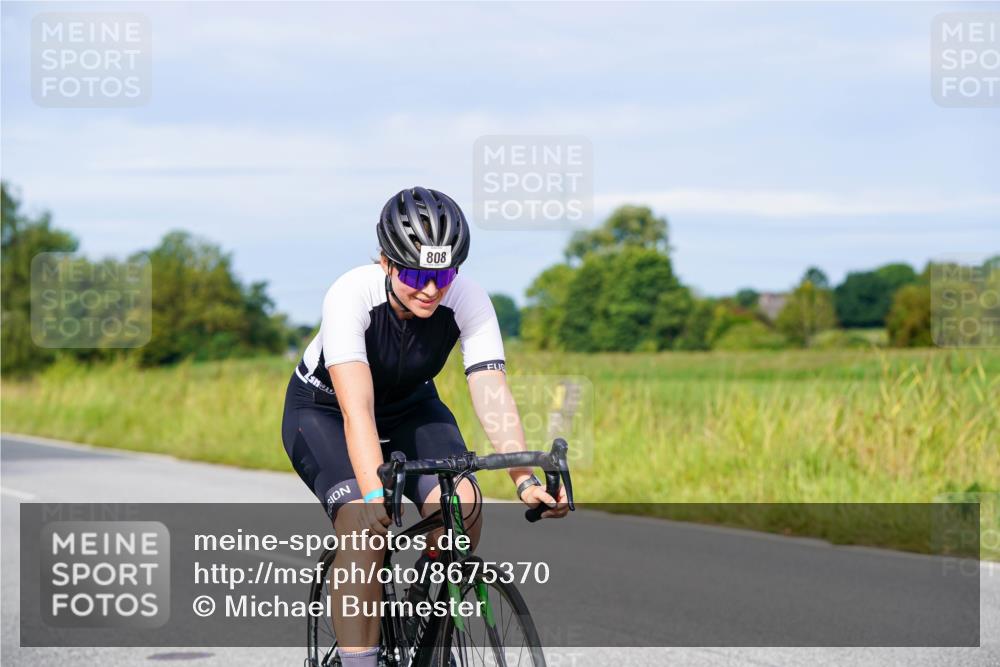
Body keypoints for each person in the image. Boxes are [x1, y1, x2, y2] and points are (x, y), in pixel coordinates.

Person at [280, 186, 569, 667]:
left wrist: (525, 480)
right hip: (326, 410)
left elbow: (491, 389)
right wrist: (375, 497)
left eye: (443, 273)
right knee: (363, 526)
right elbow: (358, 411)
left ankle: (424, 619)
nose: (432, 289)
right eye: (416, 273)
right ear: (387, 262)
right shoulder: (351, 294)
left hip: (413, 407)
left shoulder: (469, 299)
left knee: (465, 506)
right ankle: (360, 660)